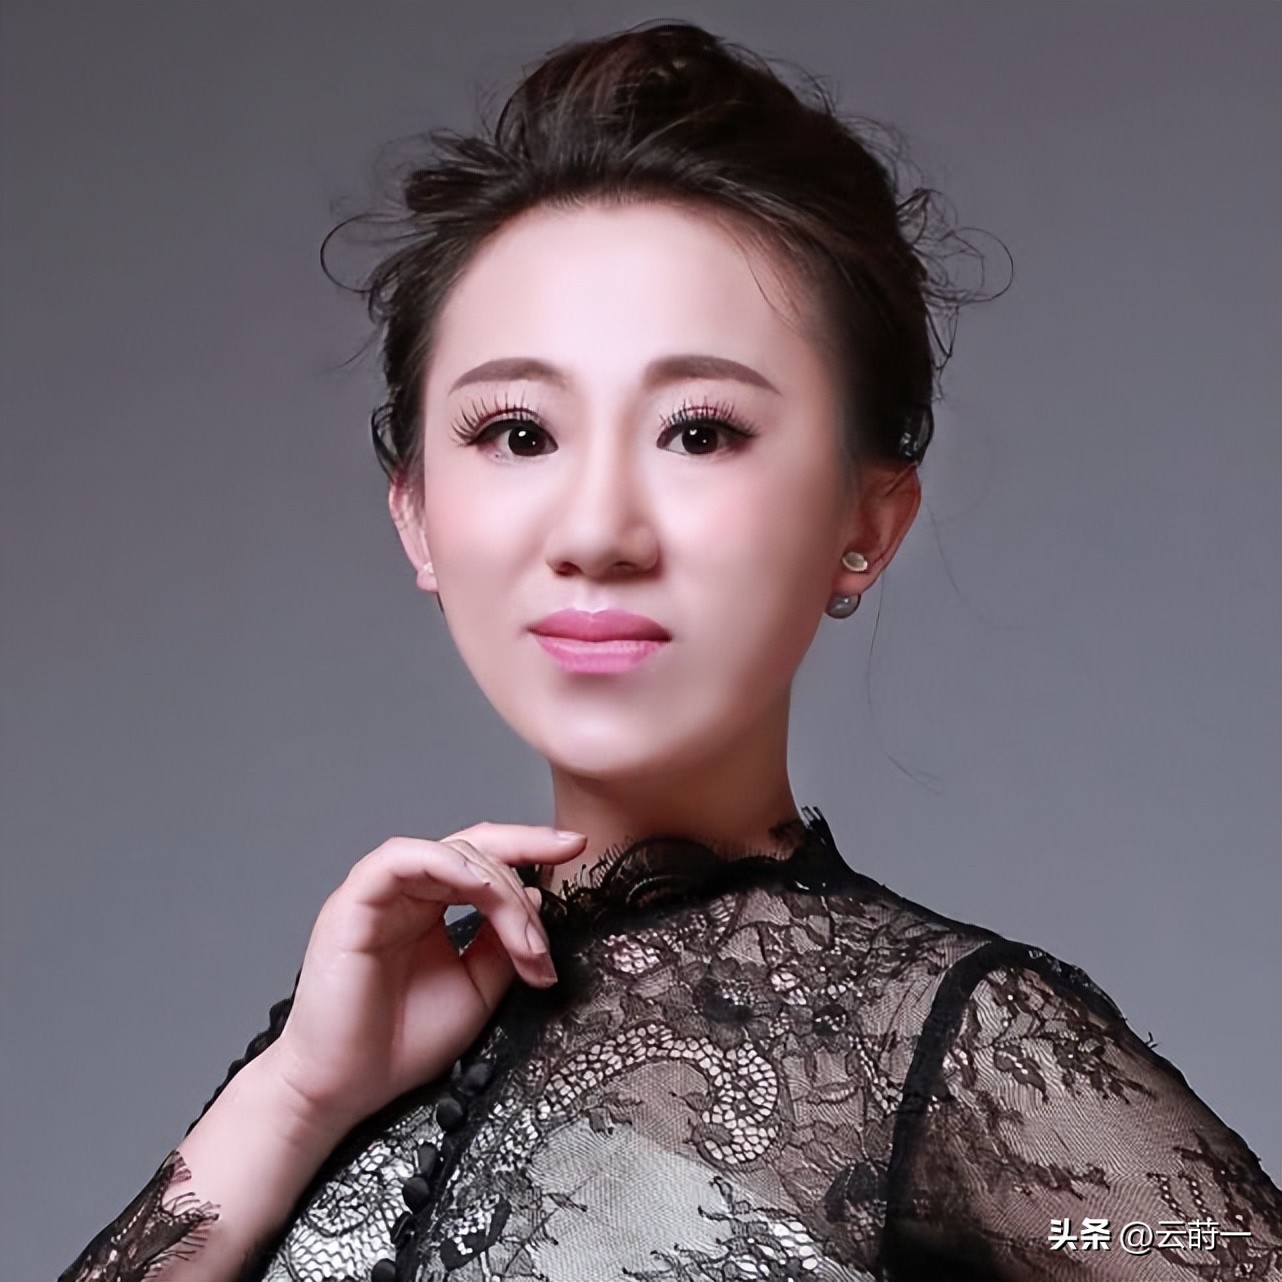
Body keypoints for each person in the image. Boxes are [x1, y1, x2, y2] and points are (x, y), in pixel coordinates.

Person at [60, 20, 1281, 1282]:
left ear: (866, 524)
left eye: (699, 432)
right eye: (517, 433)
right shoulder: (355, 1034)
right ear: (416, 513)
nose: (597, 531)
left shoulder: (946, 1045)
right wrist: (296, 1093)